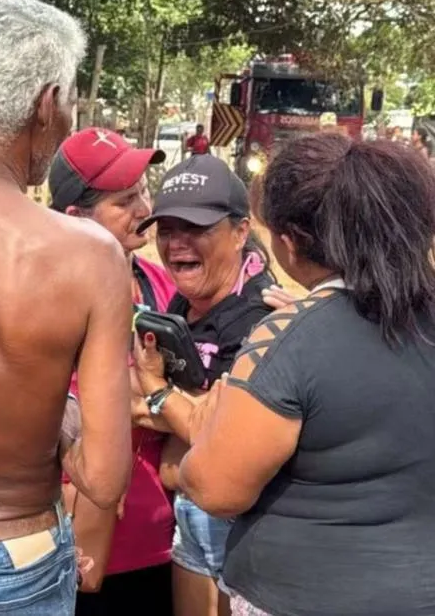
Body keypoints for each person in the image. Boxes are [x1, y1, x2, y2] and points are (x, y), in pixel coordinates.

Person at [178, 134, 435, 616]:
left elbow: (216, 488)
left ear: (290, 242)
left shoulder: (289, 339)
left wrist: (205, 418)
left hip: (303, 594)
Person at [0, 0, 134, 615]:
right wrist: (62, 414)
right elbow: (102, 480)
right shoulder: (90, 256)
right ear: (47, 105)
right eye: (70, 102)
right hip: (14, 558)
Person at [131, 155, 275, 616]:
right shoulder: (181, 303)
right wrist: (179, 412)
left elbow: (224, 438)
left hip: (244, 528)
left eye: (196, 228)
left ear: (239, 231)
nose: (176, 244)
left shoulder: (263, 316)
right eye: (167, 229)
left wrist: (157, 395)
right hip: (190, 517)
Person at [49, 127, 177, 614]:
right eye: (124, 200)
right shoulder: (48, 304)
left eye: (144, 190)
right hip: (90, 552)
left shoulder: (161, 284)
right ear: (76, 217)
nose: (145, 210)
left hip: (163, 542)